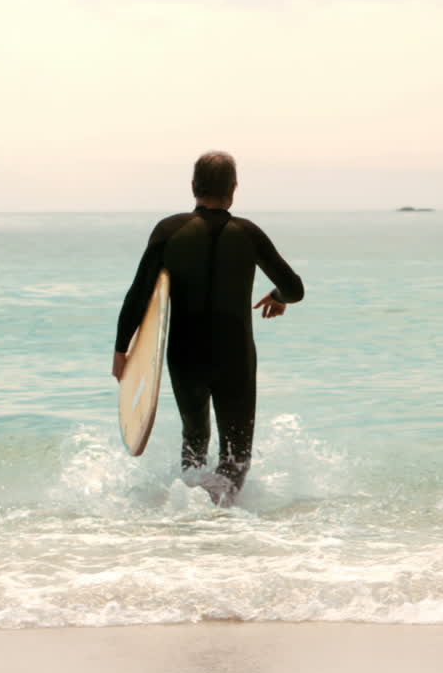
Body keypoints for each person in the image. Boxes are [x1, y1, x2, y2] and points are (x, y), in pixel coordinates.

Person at [113, 151, 304, 505]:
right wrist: (278, 296)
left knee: (195, 438)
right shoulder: (248, 234)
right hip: (235, 358)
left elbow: (139, 293)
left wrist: (121, 350)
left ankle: (190, 514)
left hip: (185, 356)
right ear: (234, 188)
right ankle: (223, 520)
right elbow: (295, 289)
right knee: (236, 452)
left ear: (193, 186)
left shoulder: (169, 230)